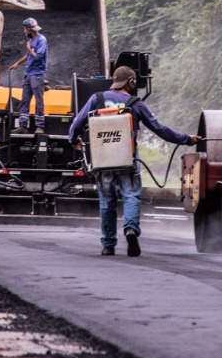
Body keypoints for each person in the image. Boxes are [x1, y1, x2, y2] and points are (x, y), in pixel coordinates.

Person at [68, 66, 198, 258]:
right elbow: (159, 129)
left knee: (107, 201)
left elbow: (77, 124)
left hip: (103, 161)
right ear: (131, 81)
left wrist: (74, 140)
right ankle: (130, 230)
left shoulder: (97, 99)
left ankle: (108, 245)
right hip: (127, 159)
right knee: (130, 196)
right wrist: (186, 139)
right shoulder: (135, 104)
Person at [9, 17, 47, 132]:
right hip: (28, 74)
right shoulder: (31, 40)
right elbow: (29, 56)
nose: (23, 31)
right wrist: (17, 63)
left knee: (38, 100)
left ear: (29, 29)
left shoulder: (42, 40)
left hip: (37, 74)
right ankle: (22, 126)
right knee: (25, 100)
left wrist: (29, 48)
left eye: (24, 29)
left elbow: (38, 57)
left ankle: (39, 126)